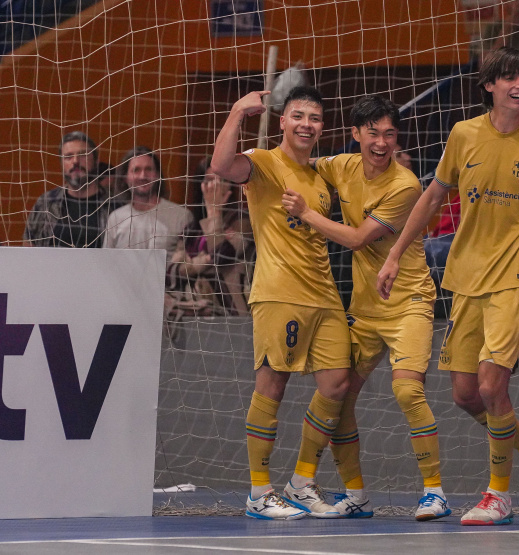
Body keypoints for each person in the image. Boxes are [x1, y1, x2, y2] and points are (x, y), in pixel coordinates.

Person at [377, 46, 519, 526]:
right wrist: (395, 253)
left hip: (516, 276)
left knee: (492, 384)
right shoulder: (463, 135)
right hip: (465, 276)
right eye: (510, 78)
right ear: (489, 86)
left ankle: (498, 495)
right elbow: (433, 195)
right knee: (465, 395)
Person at [281, 96, 451, 521]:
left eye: (389, 133)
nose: (381, 142)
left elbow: (358, 238)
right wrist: (259, 160)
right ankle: (348, 492)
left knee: (408, 390)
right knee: (337, 394)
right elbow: (298, 161)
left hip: (409, 300)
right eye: (372, 133)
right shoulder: (342, 166)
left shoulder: (406, 185)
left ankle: (435, 492)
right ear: (356, 134)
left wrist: (305, 213)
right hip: (363, 306)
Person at [211, 85, 351, 520]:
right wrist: (237, 112)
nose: (306, 124)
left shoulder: (321, 176)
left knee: (338, 384)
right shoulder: (264, 162)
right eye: (298, 116)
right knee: (272, 387)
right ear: (283, 121)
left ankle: (302, 482)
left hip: (325, 295)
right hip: (278, 293)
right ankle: (258, 492)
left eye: (314, 118)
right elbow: (220, 166)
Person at [166, 159, 253, 317]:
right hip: (193, 313)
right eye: (210, 180)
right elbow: (171, 272)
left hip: (231, 313)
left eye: (222, 180)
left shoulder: (243, 221)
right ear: (200, 186)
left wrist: (214, 213)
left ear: (230, 185)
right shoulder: (192, 228)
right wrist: (201, 263)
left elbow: (220, 258)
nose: (215, 186)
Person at [24, 131, 122, 247]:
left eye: (82, 155)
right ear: (61, 163)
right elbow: (28, 245)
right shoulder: (46, 203)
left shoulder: (115, 205)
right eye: (68, 156)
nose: (75, 161)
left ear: (96, 161)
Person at [103, 146, 194, 259]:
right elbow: (106, 263)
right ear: (125, 177)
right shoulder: (115, 218)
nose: (143, 176)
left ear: (157, 175)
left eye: (149, 169)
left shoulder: (181, 216)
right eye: (136, 170)